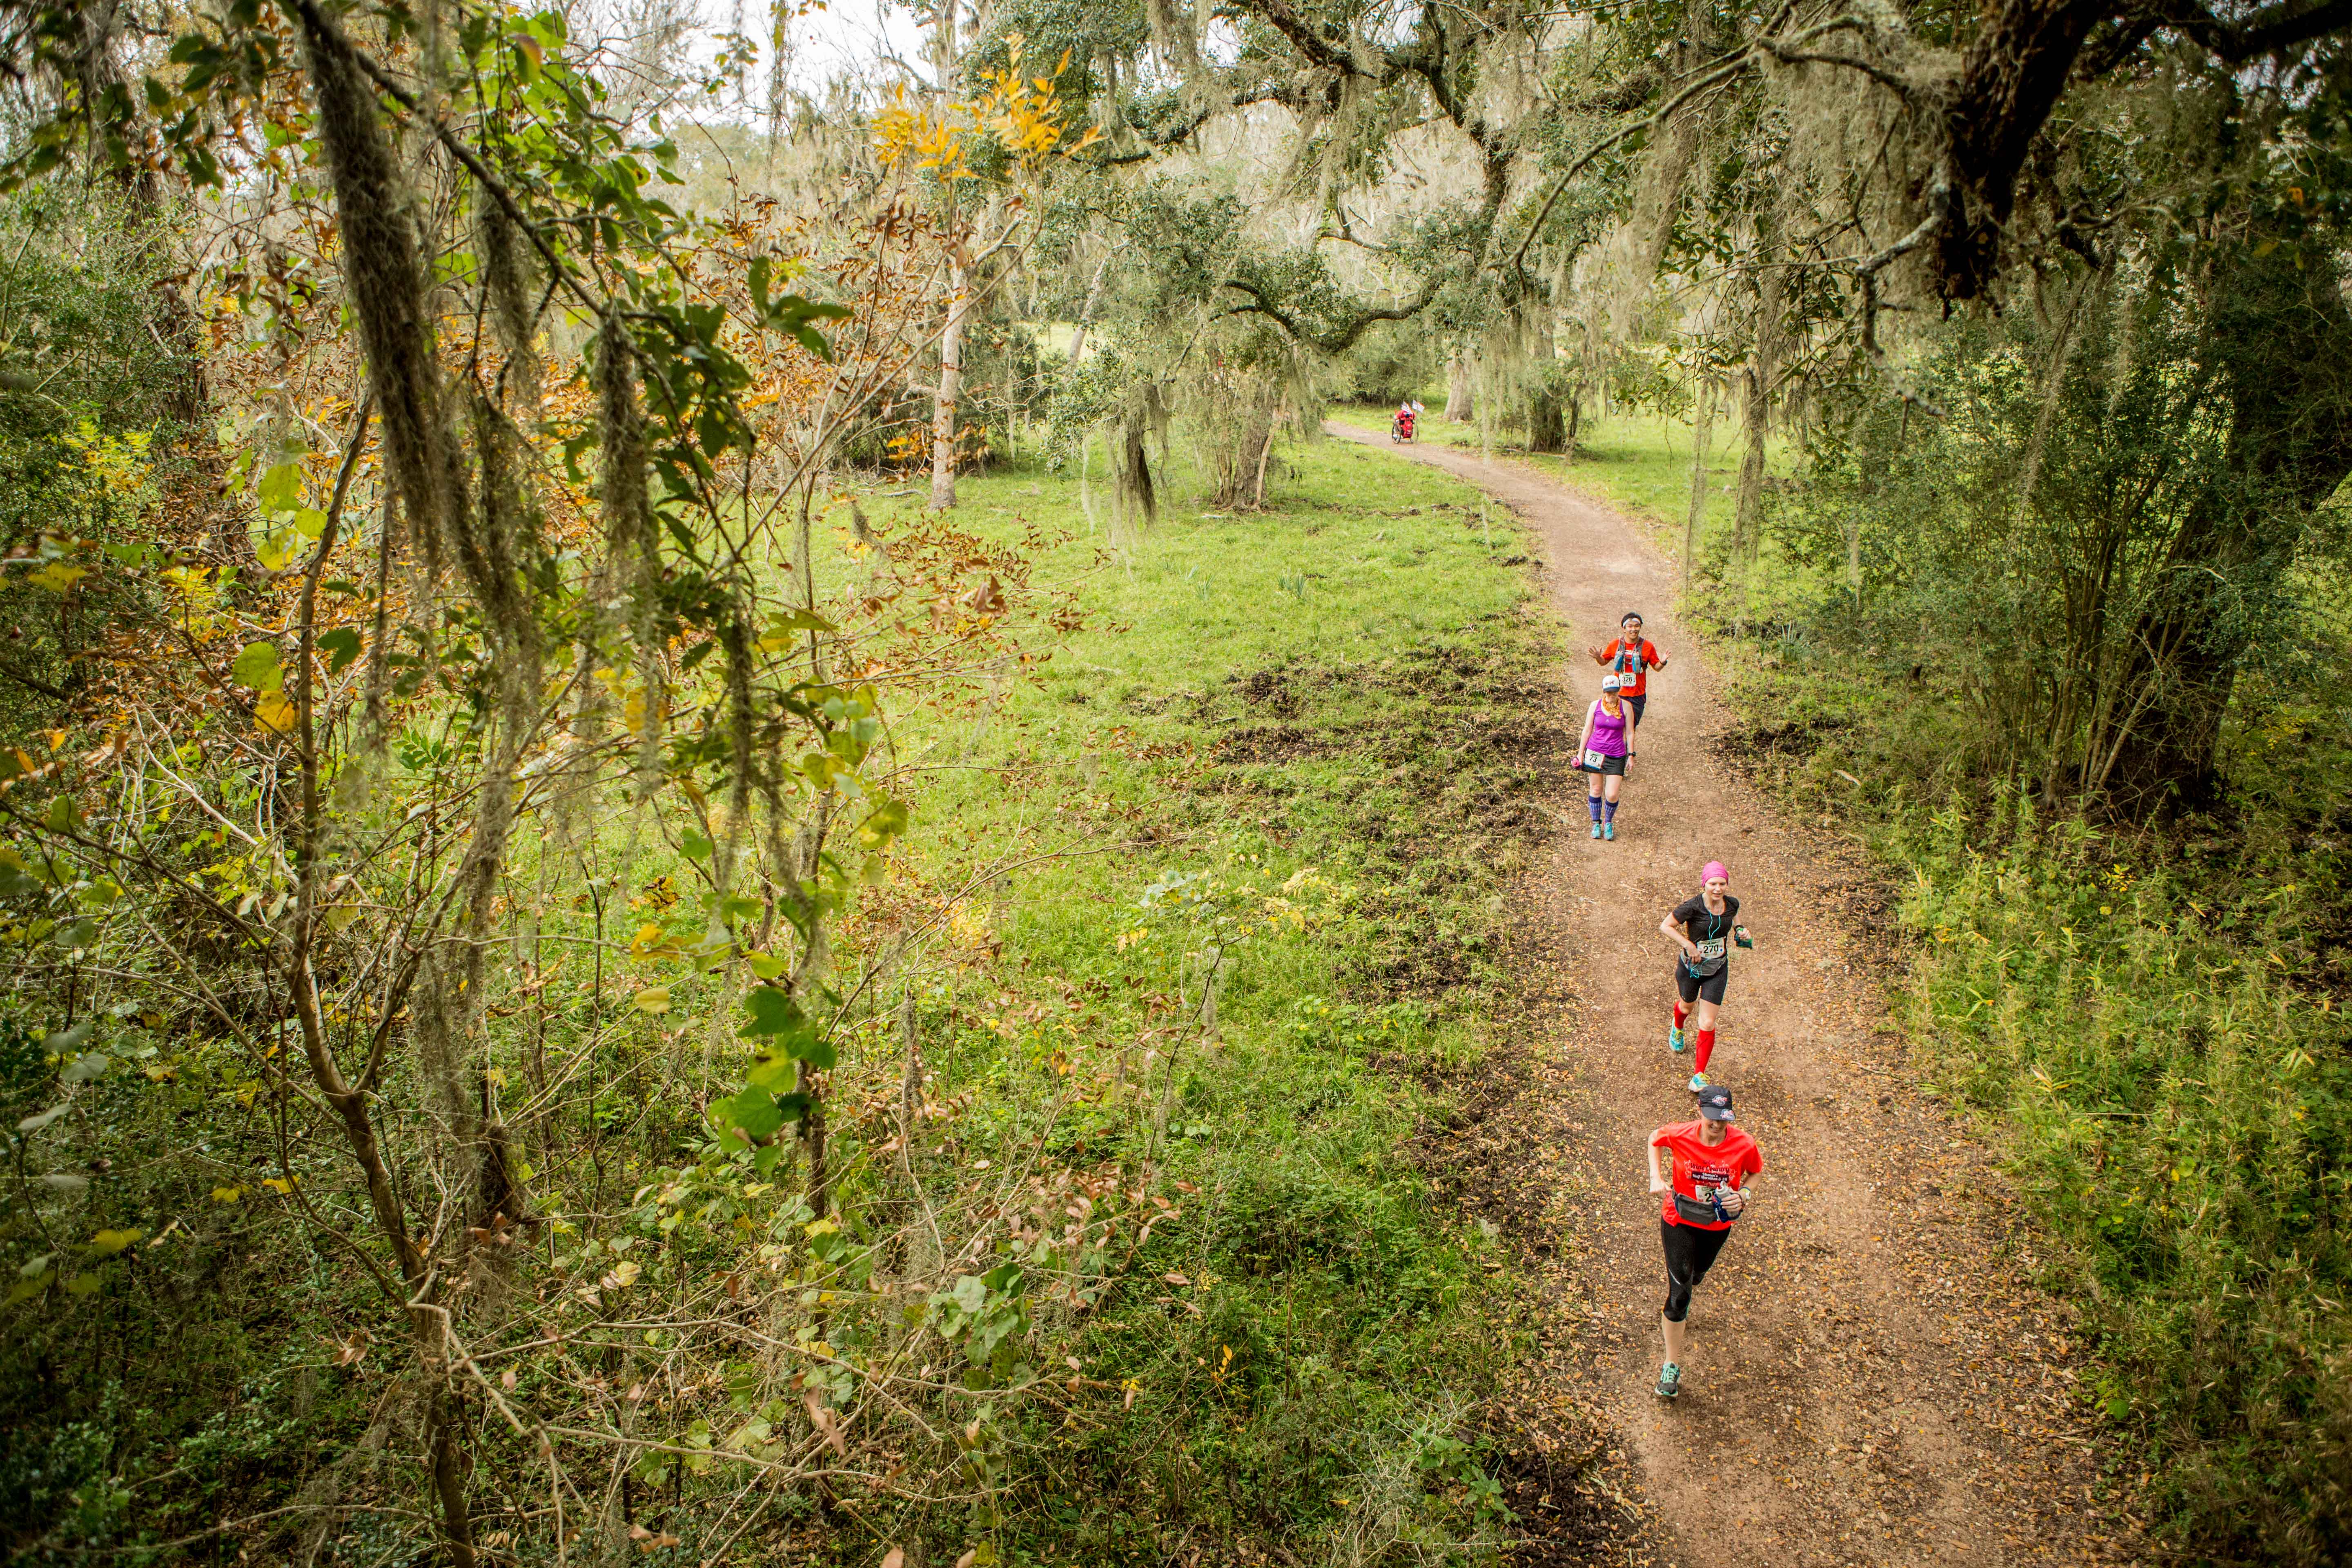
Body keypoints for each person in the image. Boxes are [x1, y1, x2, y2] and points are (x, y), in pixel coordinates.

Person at [1647, 1085, 1762, 1400]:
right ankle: (1671, 1365)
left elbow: (1755, 1172)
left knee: (1698, 1274)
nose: (1717, 1124)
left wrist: (1744, 1195)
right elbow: (1655, 1139)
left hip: (1717, 1224)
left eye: (1723, 1118)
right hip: (1679, 1219)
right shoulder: (1681, 1134)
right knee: (1681, 1293)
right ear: (1700, 1111)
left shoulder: (1744, 1144)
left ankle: (1694, 1277)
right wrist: (1655, 1177)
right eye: (1712, 1117)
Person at [1659, 860, 1751, 1090]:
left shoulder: (1732, 905)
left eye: (1722, 884)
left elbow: (1737, 925)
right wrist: (1689, 945)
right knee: (1687, 1007)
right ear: (1705, 884)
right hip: (1691, 968)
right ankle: (1678, 1028)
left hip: (1718, 969)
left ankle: (1699, 1075)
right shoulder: (1692, 907)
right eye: (1713, 884)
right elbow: (1666, 926)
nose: (1718, 889)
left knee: (1708, 1022)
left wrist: (1742, 932)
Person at [1587, 612, 1666, 735]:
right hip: (1616, 693)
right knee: (1613, 725)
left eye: (1637, 626)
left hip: (1637, 695)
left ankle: (1627, 752)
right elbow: (1603, 662)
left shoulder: (1648, 646)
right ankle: (1613, 751)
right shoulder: (1615, 645)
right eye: (1630, 626)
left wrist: (1663, 662)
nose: (1633, 629)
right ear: (1624, 629)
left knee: (1630, 727)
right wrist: (1598, 657)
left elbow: (1657, 667)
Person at [1577, 673, 1634, 840]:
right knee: (1596, 789)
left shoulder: (1627, 707)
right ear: (1603, 691)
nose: (1611, 696)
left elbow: (1630, 732)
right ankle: (1596, 823)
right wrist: (1580, 754)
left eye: (1614, 692)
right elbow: (1587, 730)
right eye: (1608, 692)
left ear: (1619, 691)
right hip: (1595, 751)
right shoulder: (1595, 706)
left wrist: (1631, 755)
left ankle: (1608, 822)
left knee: (1612, 794)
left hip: (1616, 754)